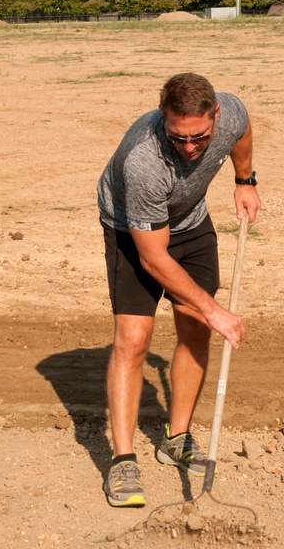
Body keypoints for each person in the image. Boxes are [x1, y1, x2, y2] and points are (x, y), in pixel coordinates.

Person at [96, 73, 261, 508]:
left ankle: (177, 439)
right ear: (163, 119)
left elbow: (243, 129)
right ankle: (123, 459)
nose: (189, 147)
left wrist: (245, 180)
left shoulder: (231, 114)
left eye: (199, 136)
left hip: (190, 220)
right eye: (178, 136)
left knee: (194, 328)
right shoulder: (144, 160)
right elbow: (154, 259)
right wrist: (215, 309)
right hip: (133, 232)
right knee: (134, 340)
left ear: (215, 115)